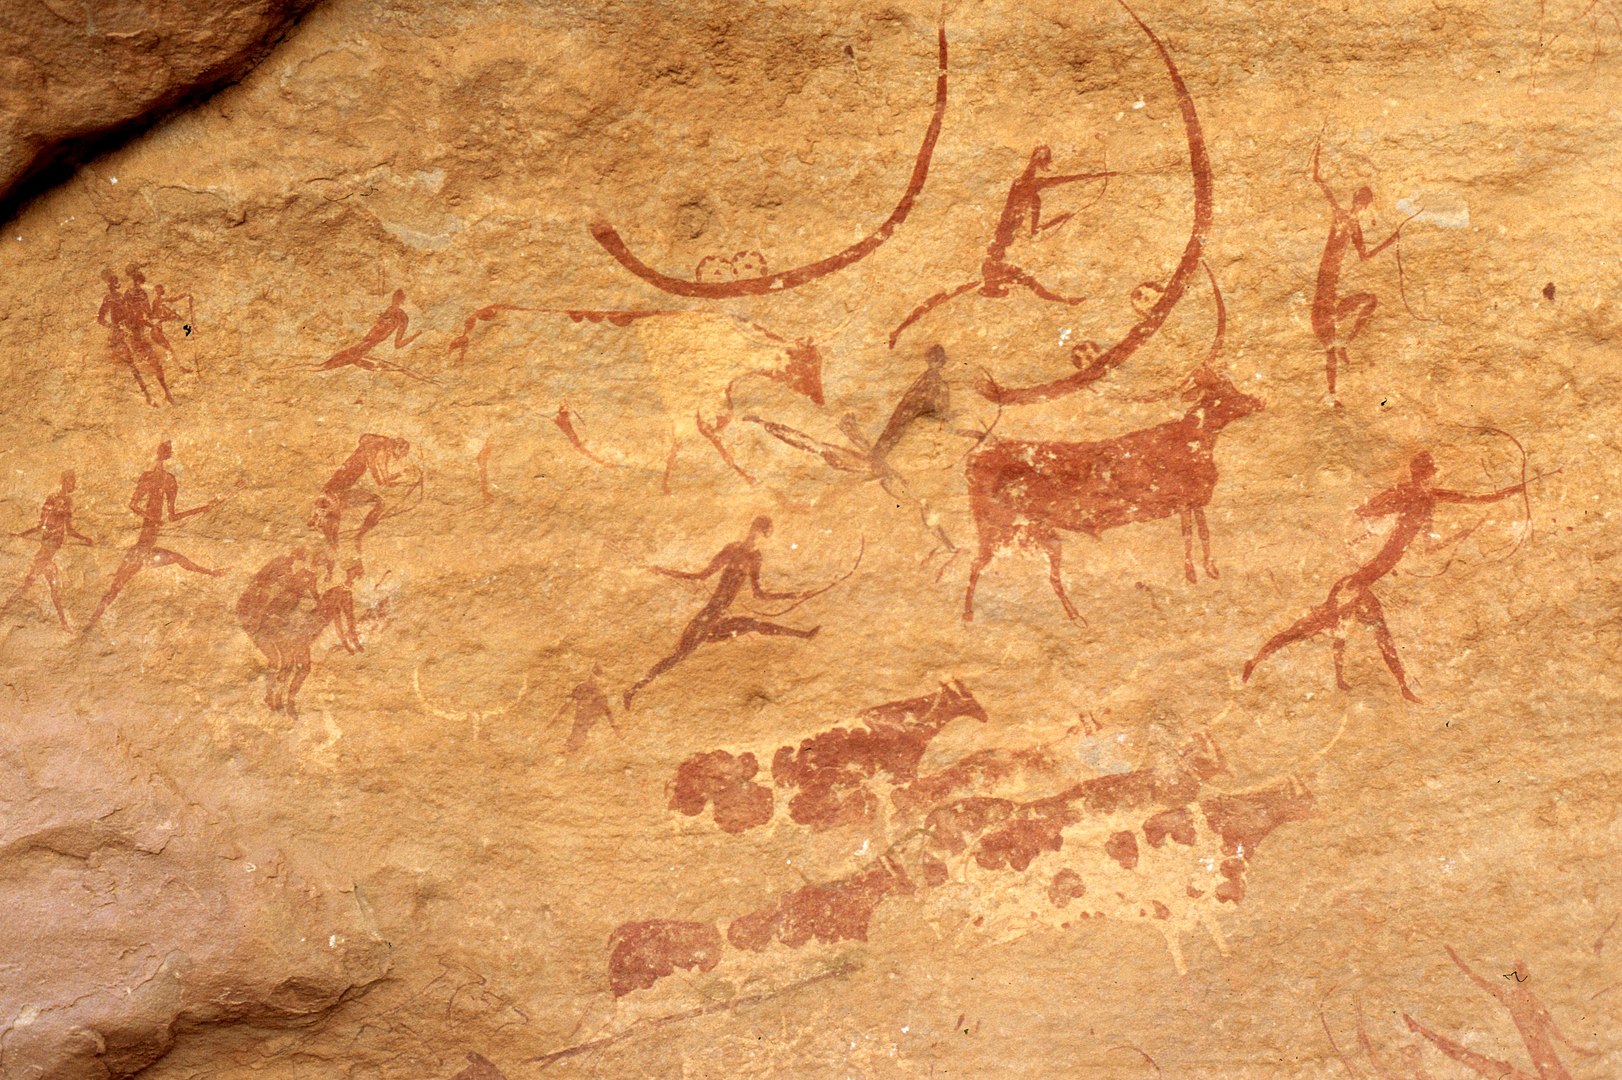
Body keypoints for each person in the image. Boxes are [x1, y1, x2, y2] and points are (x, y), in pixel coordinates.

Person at [1243, 451, 1529, 700]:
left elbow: (1445, 530)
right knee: (1312, 628)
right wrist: (1380, 520)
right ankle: (1256, 660)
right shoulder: (1405, 493)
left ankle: (1402, 686)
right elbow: (1365, 510)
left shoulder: (1430, 498)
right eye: (1427, 475)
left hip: (1362, 583)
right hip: (1355, 582)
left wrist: (1468, 528)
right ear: (1420, 475)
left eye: (1431, 475)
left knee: (1373, 630)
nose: (1430, 479)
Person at [624, 517, 820, 706]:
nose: (757, 536)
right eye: (760, 532)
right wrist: (663, 571)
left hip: (719, 617)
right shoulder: (732, 550)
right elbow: (701, 576)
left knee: (754, 625)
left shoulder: (755, 557)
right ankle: (634, 688)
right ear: (756, 530)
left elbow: (758, 593)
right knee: (678, 656)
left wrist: (795, 595)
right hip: (708, 617)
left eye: (761, 533)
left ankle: (804, 635)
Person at [1310, 141, 1418, 401]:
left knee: (1370, 301)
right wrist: (1317, 149)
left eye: (1364, 204)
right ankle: (1332, 394)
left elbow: (1365, 256)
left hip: (1330, 296)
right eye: (1361, 201)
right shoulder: (1340, 215)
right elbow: (1319, 181)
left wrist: (1391, 240)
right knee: (1329, 348)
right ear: (1356, 200)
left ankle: (1347, 343)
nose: (1362, 207)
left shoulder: (1354, 226)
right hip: (1324, 295)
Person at [86, 442, 228, 628]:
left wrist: (204, 508)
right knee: (115, 589)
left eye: (168, 449)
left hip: (148, 551)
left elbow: (172, 515)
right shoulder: (148, 477)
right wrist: (152, 518)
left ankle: (211, 573)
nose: (167, 451)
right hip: (140, 551)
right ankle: (91, 622)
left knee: (178, 559)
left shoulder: (170, 480)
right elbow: (133, 505)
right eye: (166, 448)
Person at [3, 472, 93, 629]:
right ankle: (63, 624)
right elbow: (41, 526)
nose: (73, 485)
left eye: (73, 482)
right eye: (70, 481)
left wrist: (84, 539)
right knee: (32, 587)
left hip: (49, 555)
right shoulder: (52, 498)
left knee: (44, 589)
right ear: (64, 481)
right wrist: (22, 534)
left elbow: (69, 530)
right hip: (45, 555)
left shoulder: (68, 501)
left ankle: (63, 624)